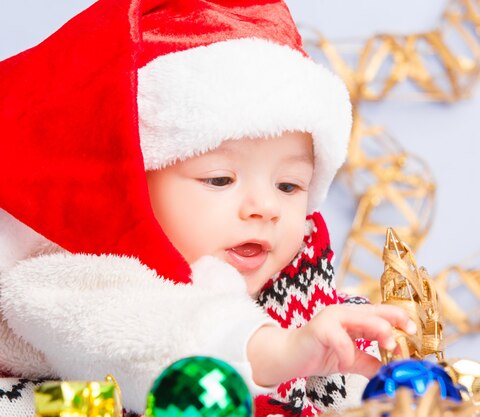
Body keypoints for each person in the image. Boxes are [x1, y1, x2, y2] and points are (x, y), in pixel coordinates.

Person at [0, 1, 414, 416]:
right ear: (131, 188)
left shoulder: (304, 296)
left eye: (289, 185)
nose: (266, 207)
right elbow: (153, 335)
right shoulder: (68, 278)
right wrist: (273, 351)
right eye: (220, 179)